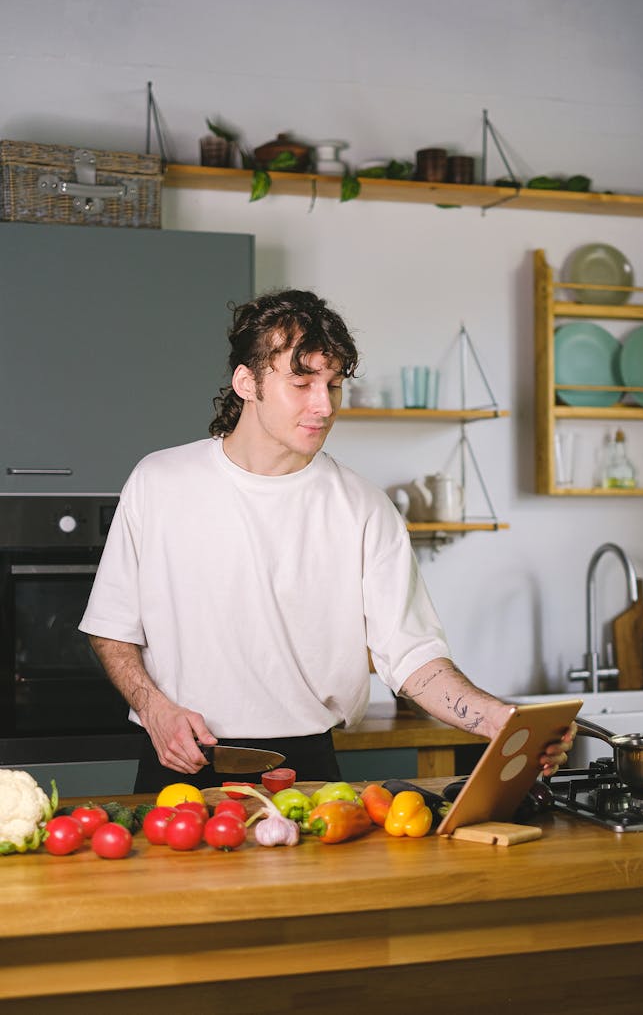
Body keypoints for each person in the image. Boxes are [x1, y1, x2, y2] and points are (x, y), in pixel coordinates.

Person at [80, 289, 575, 792]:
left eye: (333, 385)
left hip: (307, 767)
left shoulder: (364, 507)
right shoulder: (160, 481)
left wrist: (494, 717)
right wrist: (152, 706)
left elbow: (411, 657)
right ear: (247, 382)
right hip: (178, 756)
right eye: (302, 382)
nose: (324, 405)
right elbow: (112, 628)